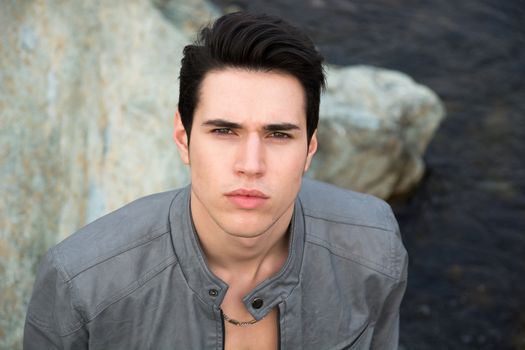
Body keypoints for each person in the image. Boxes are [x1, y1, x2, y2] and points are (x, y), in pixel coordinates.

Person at [24, 12, 407, 350]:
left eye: (278, 135)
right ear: (182, 138)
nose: (251, 165)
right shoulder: (80, 283)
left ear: (310, 148)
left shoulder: (373, 246)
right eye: (224, 131)